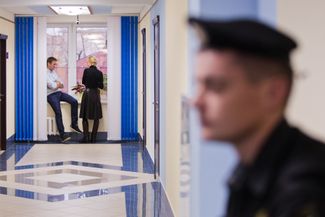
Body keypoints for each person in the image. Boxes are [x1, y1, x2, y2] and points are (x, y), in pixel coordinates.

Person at [189, 18, 325, 217]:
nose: (196, 102)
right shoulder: (254, 167)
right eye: (197, 85)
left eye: (215, 86)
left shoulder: (304, 190)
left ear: (273, 93)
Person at [47, 57, 82, 142]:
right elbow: (52, 86)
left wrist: (57, 84)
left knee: (74, 101)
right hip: (51, 95)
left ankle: (74, 124)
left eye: (56, 64)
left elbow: (61, 84)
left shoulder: (54, 72)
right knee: (58, 112)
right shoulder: (44, 73)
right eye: (54, 64)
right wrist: (56, 84)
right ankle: (62, 135)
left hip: (59, 93)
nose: (55, 66)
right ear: (49, 63)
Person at [79, 56, 104, 143]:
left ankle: (86, 138)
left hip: (88, 94)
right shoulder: (100, 73)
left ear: (89, 62)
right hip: (96, 95)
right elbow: (101, 86)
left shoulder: (86, 71)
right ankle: (93, 139)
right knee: (96, 117)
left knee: (85, 116)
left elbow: (83, 82)